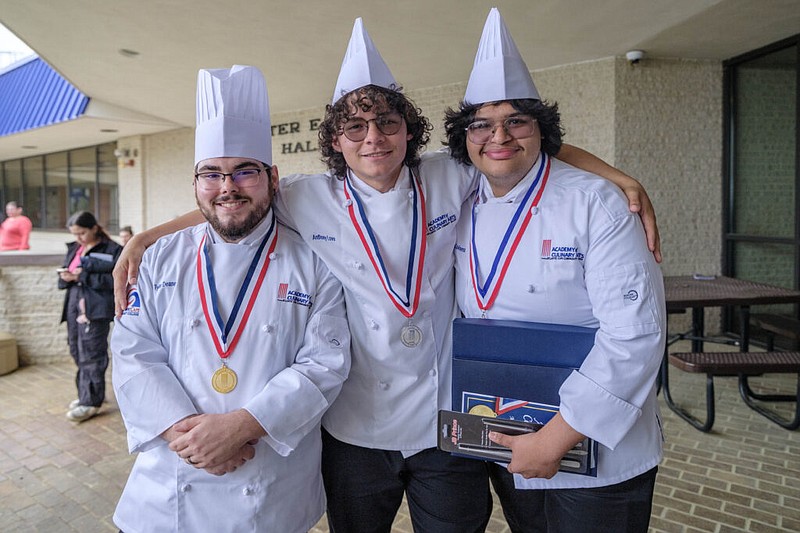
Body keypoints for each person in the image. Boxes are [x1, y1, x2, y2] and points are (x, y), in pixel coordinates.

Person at [111, 19, 661, 532]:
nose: (372, 137)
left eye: (387, 123)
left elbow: (520, 147)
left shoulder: (452, 173)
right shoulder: (306, 196)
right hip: (354, 428)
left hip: (442, 425)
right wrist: (147, 236)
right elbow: (233, 199)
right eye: (355, 127)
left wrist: (617, 177)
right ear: (335, 140)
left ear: (409, 132)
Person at [445, 9, 666, 532]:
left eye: (516, 120)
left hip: (597, 449)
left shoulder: (597, 202)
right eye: (481, 123)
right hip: (510, 429)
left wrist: (559, 435)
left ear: (541, 130)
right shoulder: (458, 193)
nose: (498, 136)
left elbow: (636, 334)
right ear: (464, 137)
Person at [109, 65, 350, 533]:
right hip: (172, 483)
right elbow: (132, 349)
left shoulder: (315, 260)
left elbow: (325, 362)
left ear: (272, 177)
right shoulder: (161, 257)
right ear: (196, 183)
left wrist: (243, 427)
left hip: (268, 485)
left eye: (244, 171)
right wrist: (185, 432)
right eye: (211, 174)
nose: (227, 187)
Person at [58, 211, 122, 422]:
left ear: (94, 227)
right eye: (75, 234)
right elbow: (69, 272)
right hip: (74, 304)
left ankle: (90, 402)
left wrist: (83, 276)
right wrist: (67, 276)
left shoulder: (113, 250)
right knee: (77, 350)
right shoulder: (76, 248)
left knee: (92, 354)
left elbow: (116, 281)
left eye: (82, 233)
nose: (79, 238)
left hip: (95, 309)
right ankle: (87, 395)